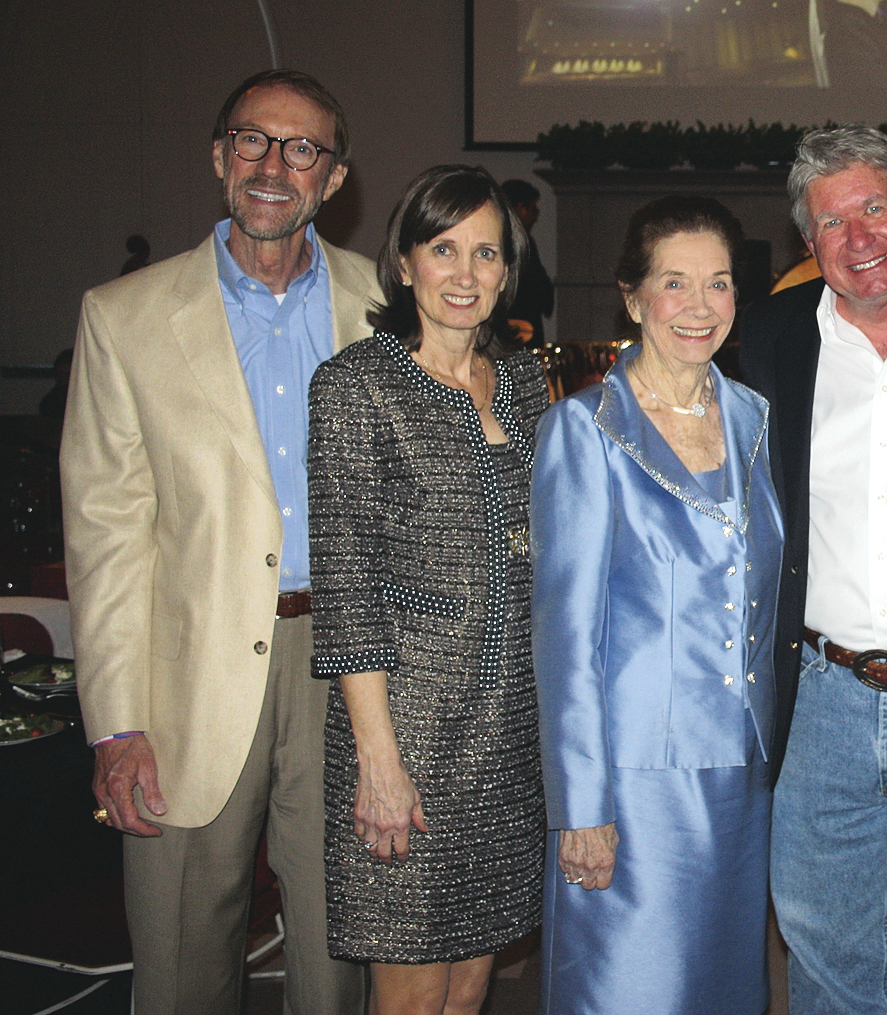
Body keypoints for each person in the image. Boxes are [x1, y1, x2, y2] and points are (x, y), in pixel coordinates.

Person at [64, 68, 373, 1014]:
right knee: (181, 958)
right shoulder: (122, 319)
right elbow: (107, 533)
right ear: (218, 157)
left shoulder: (393, 307)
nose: (274, 165)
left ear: (334, 178)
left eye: (301, 148)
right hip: (187, 679)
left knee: (340, 949)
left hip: (353, 666)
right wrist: (115, 723)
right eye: (252, 140)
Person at [531, 194, 782, 1013]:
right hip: (632, 785)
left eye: (719, 283)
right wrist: (582, 804)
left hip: (741, 779)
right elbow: (567, 635)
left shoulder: (757, 418)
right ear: (633, 297)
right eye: (675, 283)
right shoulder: (586, 429)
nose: (699, 306)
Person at [308, 164, 548, 1015]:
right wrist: (378, 763)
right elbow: (345, 587)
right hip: (406, 731)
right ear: (404, 262)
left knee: (470, 988)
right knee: (409, 994)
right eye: (443, 247)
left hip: (507, 731)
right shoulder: (355, 385)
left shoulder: (522, 383)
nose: (465, 272)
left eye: (486, 252)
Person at [737, 125, 887, 1015]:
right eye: (832, 222)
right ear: (808, 243)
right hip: (818, 701)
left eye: (873, 207)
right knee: (825, 955)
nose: (858, 237)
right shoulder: (770, 337)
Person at [500, 178, 553, 344]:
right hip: (517, 323)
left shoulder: (521, 241)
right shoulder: (514, 242)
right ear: (519, 208)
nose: (535, 215)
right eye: (532, 208)